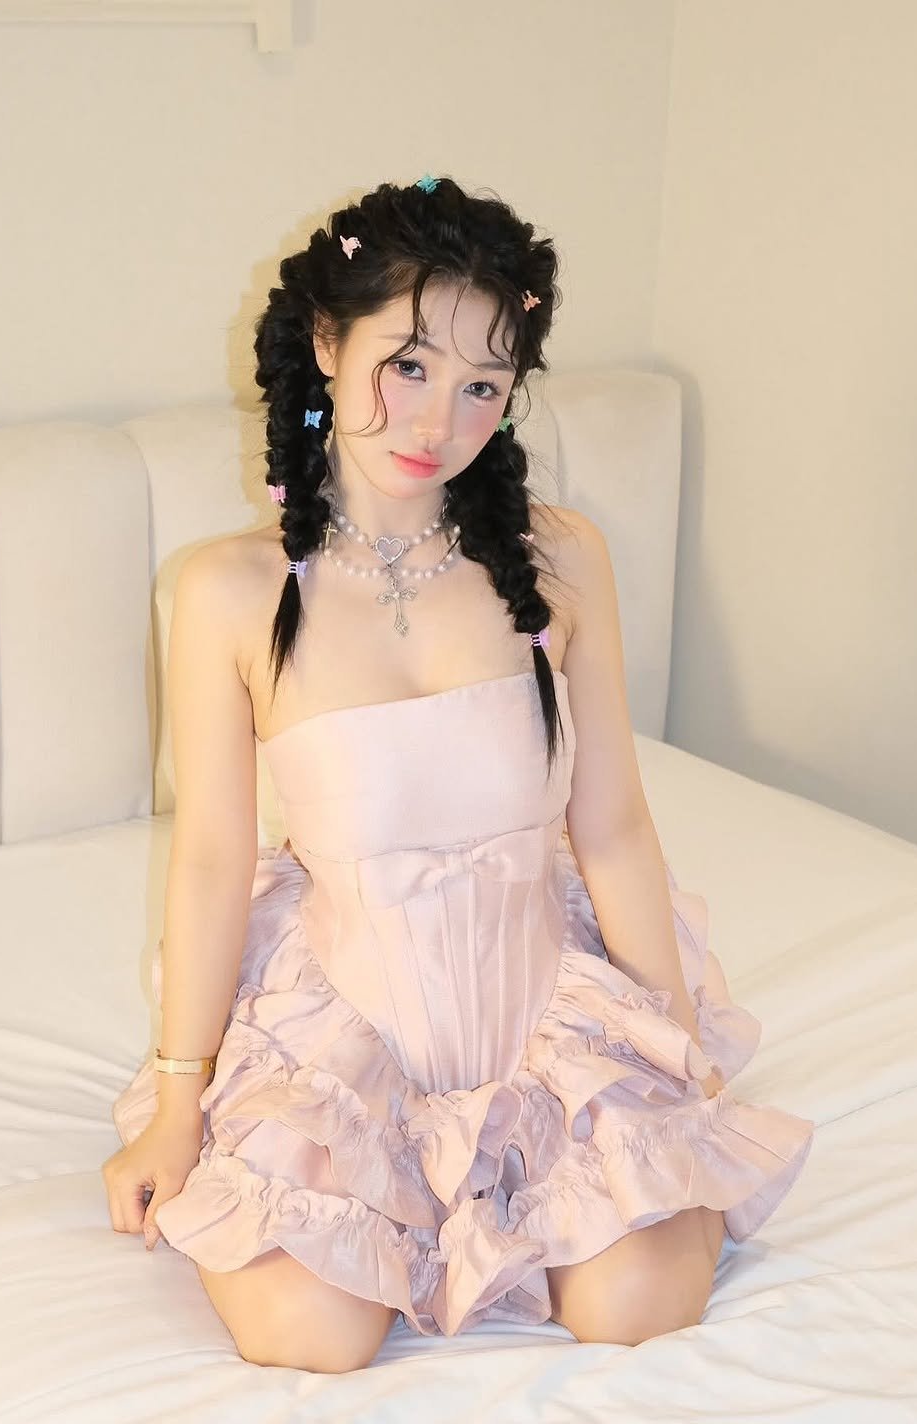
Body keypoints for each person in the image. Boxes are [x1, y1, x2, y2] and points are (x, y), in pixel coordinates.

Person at [102, 174, 814, 1372]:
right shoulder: (226, 590)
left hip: (543, 1005)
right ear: (325, 343)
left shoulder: (563, 560)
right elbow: (214, 862)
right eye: (408, 365)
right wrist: (180, 1105)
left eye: (484, 384)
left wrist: (679, 1051)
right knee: (311, 1337)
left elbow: (614, 829)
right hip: (352, 1026)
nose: (437, 422)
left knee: (639, 1306)